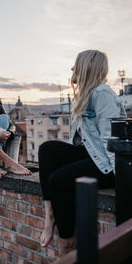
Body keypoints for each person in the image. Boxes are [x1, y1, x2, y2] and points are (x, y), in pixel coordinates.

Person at [38, 50, 126, 256]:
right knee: (47, 149)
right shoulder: (84, 95)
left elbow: (110, 140)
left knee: (59, 180)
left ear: (86, 67)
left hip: (106, 163)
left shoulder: (102, 94)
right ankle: (49, 217)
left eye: (75, 64)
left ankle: (67, 244)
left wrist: (122, 179)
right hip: (91, 155)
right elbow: (77, 141)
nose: (71, 69)